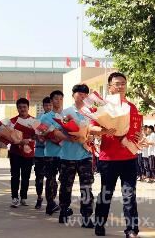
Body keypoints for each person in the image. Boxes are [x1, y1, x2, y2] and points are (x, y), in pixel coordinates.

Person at [92, 72, 142, 237]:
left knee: (129, 195)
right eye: (117, 83)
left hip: (129, 158)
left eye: (123, 83)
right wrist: (105, 130)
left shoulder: (132, 107)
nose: (120, 86)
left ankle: (131, 229)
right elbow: (91, 128)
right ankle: (99, 224)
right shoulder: (102, 107)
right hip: (109, 159)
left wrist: (138, 137)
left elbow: (137, 130)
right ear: (110, 87)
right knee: (106, 193)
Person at [58, 84, 94, 228]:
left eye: (85, 94)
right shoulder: (66, 112)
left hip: (85, 154)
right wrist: (67, 137)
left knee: (86, 187)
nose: (83, 96)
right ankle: (64, 210)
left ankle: (86, 216)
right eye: (80, 94)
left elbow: (94, 130)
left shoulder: (91, 112)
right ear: (73, 95)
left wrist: (92, 137)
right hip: (68, 155)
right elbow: (57, 132)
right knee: (66, 186)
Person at [0, 98, 36, 208]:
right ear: (17, 109)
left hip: (29, 153)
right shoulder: (12, 122)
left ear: (28, 108)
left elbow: (39, 136)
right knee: (15, 176)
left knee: (26, 176)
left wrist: (28, 140)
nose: (22, 109)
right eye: (20, 107)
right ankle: (14, 198)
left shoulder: (34, 121)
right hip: (15, 153)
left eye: (24, 107)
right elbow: (5, 137)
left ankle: (23, 197)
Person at [40, 90, 69, 215]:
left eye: (61, 99)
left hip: (65, 153)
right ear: (51, 101)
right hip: (51, 153)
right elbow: (41, 135)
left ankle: (63, 206)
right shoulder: (45, 117)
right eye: (56, 99)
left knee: (64, 180)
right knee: (51, 179)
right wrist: (51, 135)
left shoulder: (67, 116)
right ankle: (50, 204)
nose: (59, 101)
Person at [33, 96, 51, 209]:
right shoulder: (38, 119)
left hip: (52, 153)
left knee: (51, 179)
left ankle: (51, 201)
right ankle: (39, 197)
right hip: (39, 153)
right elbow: (34, 134)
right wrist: (38, 137)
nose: (48, 107)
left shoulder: (57, 118)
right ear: (43, 106)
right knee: (39, 178)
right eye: (46, 105)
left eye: (50, 105)